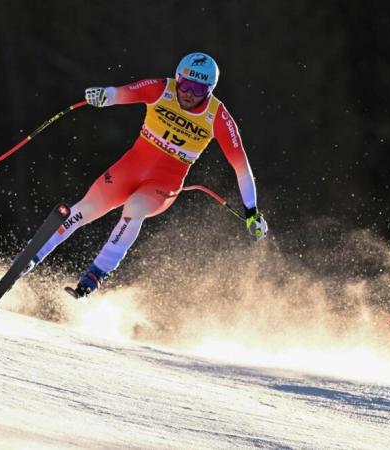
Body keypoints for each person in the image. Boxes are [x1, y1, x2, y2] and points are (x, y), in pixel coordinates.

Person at [21, 52, 268, 298]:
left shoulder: (218, 117)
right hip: (129, 169)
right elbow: (122, 93)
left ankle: (96, 273)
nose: (188, 94)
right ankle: (31, 258)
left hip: (163, 184)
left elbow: (242, 168)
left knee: (135, 208)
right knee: (85, 208)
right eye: (184, 84)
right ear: (177, 79)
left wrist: (251, 212)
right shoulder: (162, 89)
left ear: (210, 90)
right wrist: (104, 96)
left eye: (197, 89)